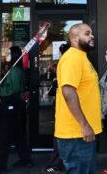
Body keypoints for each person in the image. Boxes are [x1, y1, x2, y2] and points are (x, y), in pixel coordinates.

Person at [54, 23, 102, 174]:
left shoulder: (82, 57)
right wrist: (84, 125)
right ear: (74, 37)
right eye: (87, 33)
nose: (92, 36)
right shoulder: (72, 58)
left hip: (83, 133)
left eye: (92, 33)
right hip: (76, 134)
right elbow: (68, 92)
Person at [0, 46, 33, 173]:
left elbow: (11, 90)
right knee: (18, 134)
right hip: (16, 106)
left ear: (13, 55)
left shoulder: (13, 70)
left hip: (9, 105)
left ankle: (0, 165)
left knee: (4, 137)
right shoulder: (17, 69)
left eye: (8, 53)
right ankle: (25, 159)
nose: (6, 54)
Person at [41, 42, 70, 174]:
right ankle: (59, 163)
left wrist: (54, 84)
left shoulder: (66, 65)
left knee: (59, 138)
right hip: (62, 107)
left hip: (65, 108)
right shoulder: (65, 65)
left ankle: (56, 164)